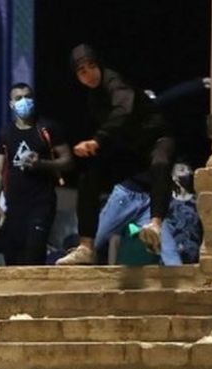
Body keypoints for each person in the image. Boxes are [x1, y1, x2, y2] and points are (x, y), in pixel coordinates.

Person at [57, 44, 176, 265]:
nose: (89, 74)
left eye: (91, 67)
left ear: (99, 65)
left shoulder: (114, 82)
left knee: (160, 163)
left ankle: (156, 225)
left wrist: (97, 139)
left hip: (157, 140)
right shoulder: (94, 99)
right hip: (132, 152)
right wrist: (96, 149)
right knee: (88, 177)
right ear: (77, 77)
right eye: (82, 71)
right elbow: (115, 132)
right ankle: (86, 247)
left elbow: (123, 111)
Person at [0, 83, 73, 265]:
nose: (24, 101)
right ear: (11, 104)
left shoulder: (47, 128)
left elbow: (68, 161)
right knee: (13, 259)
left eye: (27, 97)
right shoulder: (4, 133)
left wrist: (41, 164)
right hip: (14, 206)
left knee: (33, 255)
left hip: (42, 203)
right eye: (18, 98)